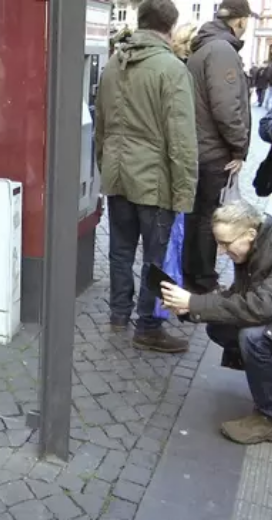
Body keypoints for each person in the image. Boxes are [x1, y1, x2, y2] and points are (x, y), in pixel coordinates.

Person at [95, 0, 198, 352]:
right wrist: (186, 192)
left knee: (121, 251)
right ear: (170, 27)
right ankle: (149, 326)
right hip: (154, 182)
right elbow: (182, 138)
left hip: (118, 175)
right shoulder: (171, 69)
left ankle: (119, 315)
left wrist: (104, 167)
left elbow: (101, 128)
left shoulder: (113, 64)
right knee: (157, 256)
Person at [160, 202, 272, 444]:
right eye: (218, 243)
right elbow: (237, 296)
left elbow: (261, 307)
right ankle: (263, 379)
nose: (221, 252)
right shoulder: (254, 246)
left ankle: (268, 417)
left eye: (225, 243)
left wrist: (195, 303)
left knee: (254, 338)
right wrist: (189, 307)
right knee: (220, 326)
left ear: (250, 234)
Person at [183, 0, 252, 295]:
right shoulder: (222, 50)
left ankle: (193, 275)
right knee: (208, 218)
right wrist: (238, 148)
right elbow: (227, 107)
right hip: (213, 152)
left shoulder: (205, 47)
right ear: (240, 20)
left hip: (200, 148)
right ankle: (203, 280)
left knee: (197, 216)